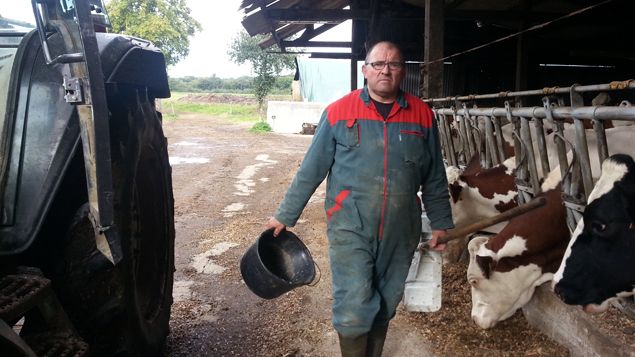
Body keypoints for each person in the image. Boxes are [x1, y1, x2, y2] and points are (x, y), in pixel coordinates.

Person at [266, 41, 453, 357]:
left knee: (386, 301)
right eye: (378, 64)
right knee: (353, 306)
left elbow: (434, 175)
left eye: (393, 64)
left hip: (400, 227)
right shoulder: (339, 112)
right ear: (365, 70)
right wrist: (285, 215)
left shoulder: (422, 115)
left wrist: (441, 222)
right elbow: (312, 169)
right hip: (350, 224)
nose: (385, 70)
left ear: (402, 72)